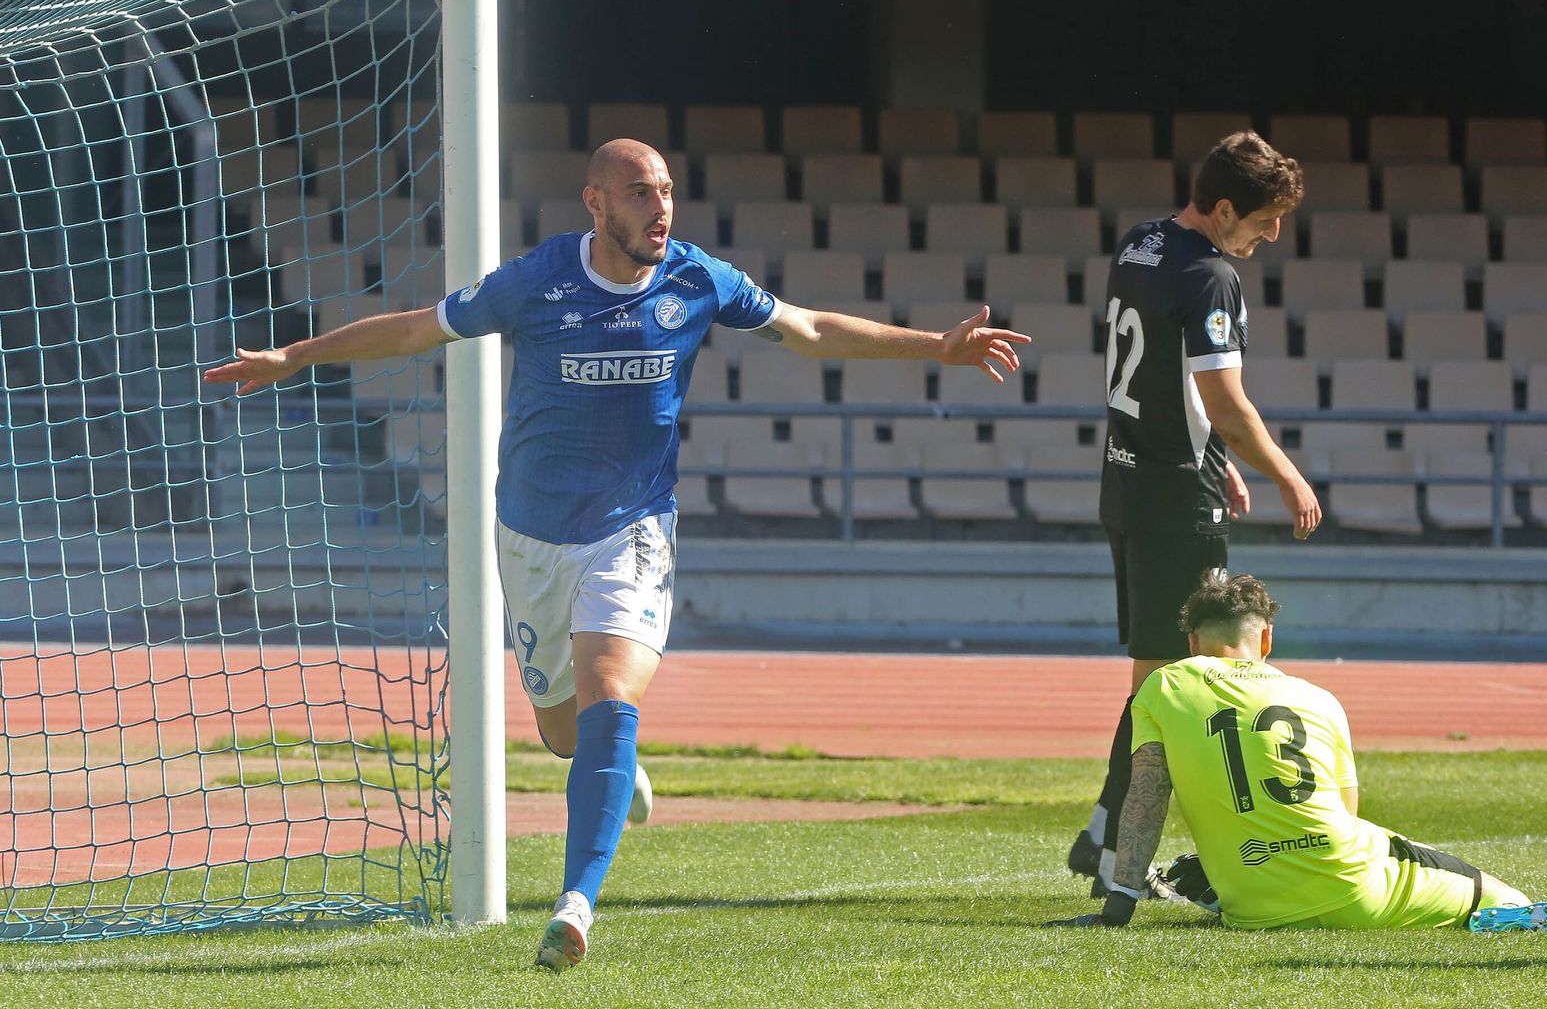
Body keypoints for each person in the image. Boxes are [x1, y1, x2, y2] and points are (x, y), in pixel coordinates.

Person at [204, 138, 1030, 971]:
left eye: (666, 190)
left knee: (609, 688)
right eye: (639, 193)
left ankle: (575, 905)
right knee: (564, 732)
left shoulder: (698, 279)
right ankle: (613, 765)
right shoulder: (536, 282)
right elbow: (421, 328)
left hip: (632, 528)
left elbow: (810, 329)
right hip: (529, 536)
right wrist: (296, 357)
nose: (660, 208)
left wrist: (937, 347)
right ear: (595, 203)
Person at [1072, 131, 1324, 895]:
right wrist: (1284, 474)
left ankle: (1105, 840)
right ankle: (1117, 851)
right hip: (1175, 500)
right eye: (1264, 219)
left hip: (1128, 484)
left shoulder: (1140, 244)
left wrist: (1219, 466)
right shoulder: (1212, 275)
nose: (1272, 234)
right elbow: (1224, 400)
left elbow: (1158, 383)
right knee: (1182, 686)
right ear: (1223, 208)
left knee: (1160, 682)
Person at [1056, 571, 1547, 933]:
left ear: (1192, 643)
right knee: (1484, 887)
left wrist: (1120, 906)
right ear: (1265, 639)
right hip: (1355, 892)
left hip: (1252, 908)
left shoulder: (1164, 686)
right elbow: (1345, 814)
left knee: (1196, 865)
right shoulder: (1318, 698)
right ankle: (1508, 911)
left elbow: (1145, 798)